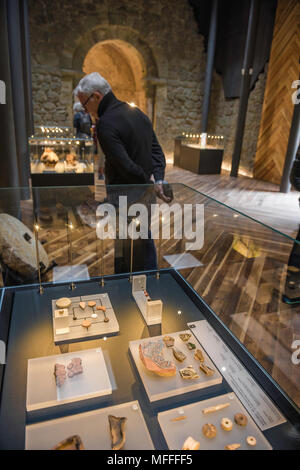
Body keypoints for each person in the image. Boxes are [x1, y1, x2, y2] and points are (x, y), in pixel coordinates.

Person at [74, 72, 172, 273]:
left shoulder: (105, 124)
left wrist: (148, 182)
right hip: (144, 196)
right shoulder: (137, 113)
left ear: (97, 96)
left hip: (126, 197)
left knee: (135, 246)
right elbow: (157, 152)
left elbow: (125, 166)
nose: (86, 110)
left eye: (85, 105)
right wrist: (158, 179)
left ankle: (138, 285)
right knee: (139, 239)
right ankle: (132, 282)